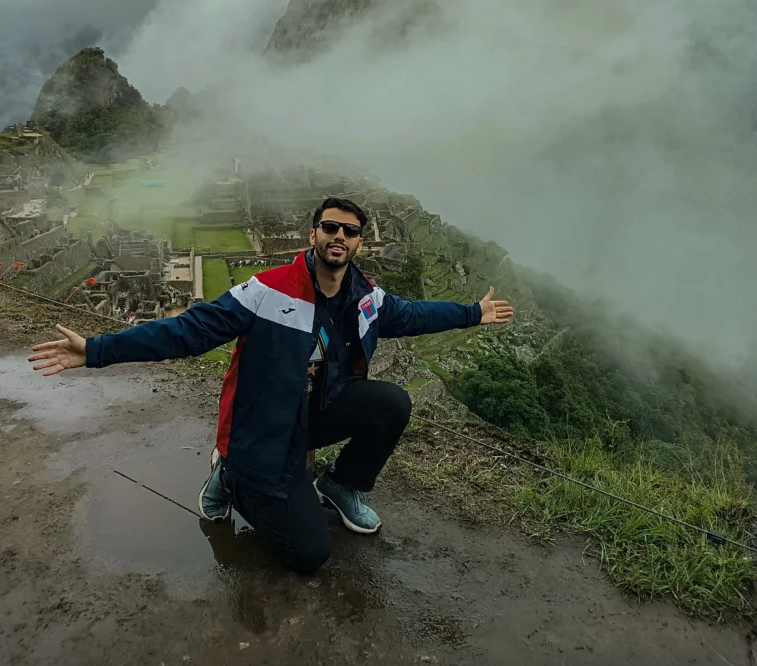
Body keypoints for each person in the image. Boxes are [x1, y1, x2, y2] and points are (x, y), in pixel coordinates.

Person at [29, 197, 514, 574]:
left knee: (391, 402)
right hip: (265, 430)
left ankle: (340, 485)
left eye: (350, 231)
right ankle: (231, 474)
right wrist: (95, 351)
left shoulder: (366, 296)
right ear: (314, 234)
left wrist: (473, 312)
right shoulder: (266, 292)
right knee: (309, 555)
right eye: (330, 227)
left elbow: (411, 314)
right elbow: (187, 332)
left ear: (360, 243)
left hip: (315, 411)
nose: (339, 236)